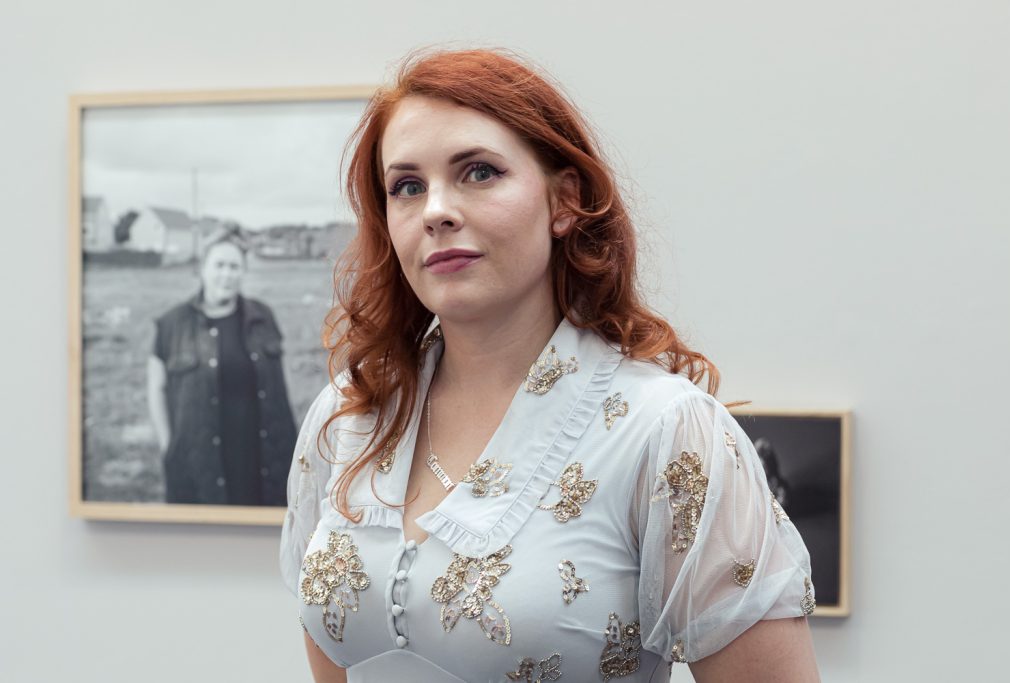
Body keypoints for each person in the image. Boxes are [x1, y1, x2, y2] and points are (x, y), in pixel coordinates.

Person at [280, 49, 820, 682]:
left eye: (478, 172)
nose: (436, 210)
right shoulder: (350, 416)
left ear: (564, 201)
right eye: (407, 186)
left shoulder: (666, 431)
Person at [147, 226, 297, 505]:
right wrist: (170, 447)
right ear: (202, 268)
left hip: (260, 455)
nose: (227, 275)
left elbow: (280, 385)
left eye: (234, 266)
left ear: (243, 271)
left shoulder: (263, 317)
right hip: (199, 460)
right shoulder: (171, 325)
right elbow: (156, 389)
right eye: (219, 265)